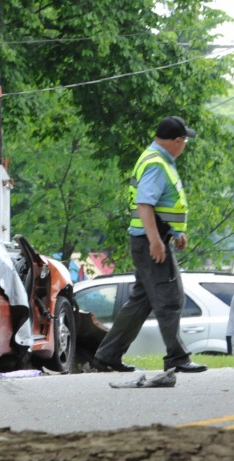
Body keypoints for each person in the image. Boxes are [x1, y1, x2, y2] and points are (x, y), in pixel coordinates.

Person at [90, 116, 206, 373]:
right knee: (170, 299)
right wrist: (155, 241)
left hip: (152, 239)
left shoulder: (157, 159)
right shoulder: (156, 164)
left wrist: (177, 232)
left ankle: (107, 356)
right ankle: (177, 357)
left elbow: (165, 204)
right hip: (150, 241)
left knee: (141, 302)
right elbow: (145, 204)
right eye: (184, 140)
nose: (185, 144)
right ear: (177, 141)